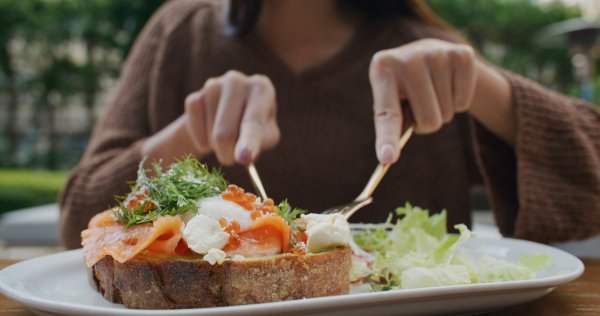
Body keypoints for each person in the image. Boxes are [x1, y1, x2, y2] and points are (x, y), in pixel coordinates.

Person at [59, 0, 600, 249]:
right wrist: (189, 133)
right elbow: (78, 223)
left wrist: (485, 87)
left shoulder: (426, 55)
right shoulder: (179, 33)